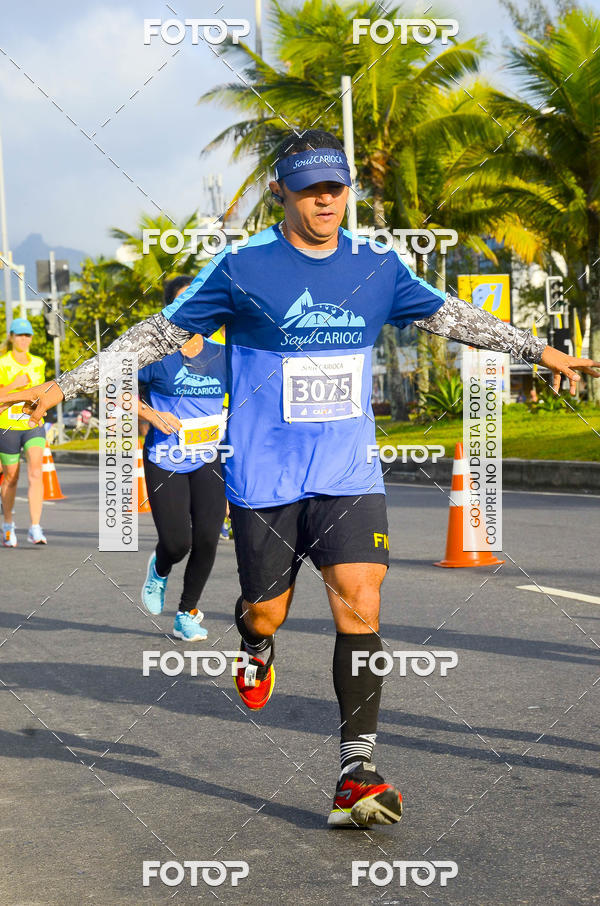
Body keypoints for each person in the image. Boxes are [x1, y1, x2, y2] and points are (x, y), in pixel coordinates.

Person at [3, 129, 599, 829]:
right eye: (311, 187)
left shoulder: (377, 266)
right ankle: (255, 647)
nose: (326, 199)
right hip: (264, 477)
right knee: (267, 612)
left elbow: (450, 316)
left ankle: (357, 772)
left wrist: (540, 350)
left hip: (347, 470)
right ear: (279, 192)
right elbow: (155, 335)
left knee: (361, 603)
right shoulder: (239, 267)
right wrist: (66, 383)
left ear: (349, 192)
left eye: (336, 188)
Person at [137, 275, 228, 642]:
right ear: (170, 310)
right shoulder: (155, 357)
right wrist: (151, 415)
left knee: (207, 538)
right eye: (182, 302)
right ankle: (159, 569)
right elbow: (116, 392)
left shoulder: (221, 353)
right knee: (178, 543)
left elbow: (246, 399)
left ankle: (187, 613)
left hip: (209, 457)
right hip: (165, 458)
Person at [0, 318, 48, 546]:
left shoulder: (39, 363)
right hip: (7, 427)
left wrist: (42, 406)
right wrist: (14, 385)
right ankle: (8, 525)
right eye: (19, 335)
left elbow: (43, 393)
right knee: (11, 477)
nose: (24, 339)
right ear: (11, 337)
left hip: (32, 425)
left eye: (27, 335)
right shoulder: (2, 363)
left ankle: (35, 527)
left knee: (36, 472)